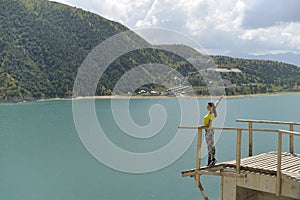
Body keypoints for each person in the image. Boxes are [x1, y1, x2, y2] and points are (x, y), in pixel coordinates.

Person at [203, 96, 223, 167]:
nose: (207, 107)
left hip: (209, 131)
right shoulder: (211, 113)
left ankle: (211, 160)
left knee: (210, 146)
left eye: (208, 106)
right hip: (209, 131)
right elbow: (216, 104)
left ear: (211, 107)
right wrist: (219, 99)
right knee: (211, 146)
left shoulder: (211, 115)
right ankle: (211, 160)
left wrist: (201, 127)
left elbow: (208, 125)